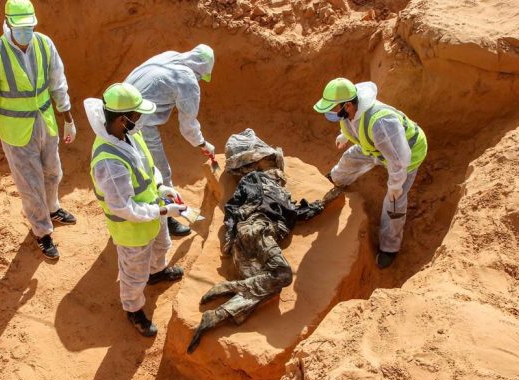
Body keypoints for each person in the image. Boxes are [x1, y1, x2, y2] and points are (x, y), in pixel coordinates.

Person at [187, 130, 341, 353]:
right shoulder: (261, 181)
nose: (276, 169)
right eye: (269, 162)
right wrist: (319, 205)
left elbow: (235, 210)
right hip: (258, 231)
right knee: (282, 275)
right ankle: (228, 287)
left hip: (247, 238)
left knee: (266, 287)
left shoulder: (254, 184)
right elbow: (289, 212)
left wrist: (231, 238)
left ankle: (217, 315)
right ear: (255, 164)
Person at [0, 0, 77, 260]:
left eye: (29, 27)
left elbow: (58, 82)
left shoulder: (44, 44)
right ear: (7, 23)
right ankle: (42, 231)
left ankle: (52, 208)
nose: (26, 32)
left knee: (52, 172)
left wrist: (67, 117)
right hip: (16, 130)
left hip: (46, 122)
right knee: (30, 183)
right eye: (20, 28)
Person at [84, 83, 186, 337]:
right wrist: (164, 212)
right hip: (132, 229)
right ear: (122, 119)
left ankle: (157, 272)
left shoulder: (129, 134)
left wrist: (162, 188)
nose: (139, 119)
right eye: (137, 115)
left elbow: (148, 168)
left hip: (152, 211)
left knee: (161, 246)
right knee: (134, 273)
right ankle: (133, 309)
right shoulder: (109, 163)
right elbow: (124, 208)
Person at [314, 78, 428, 269]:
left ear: (347, 105)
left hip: (406, 154)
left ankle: (390, 247)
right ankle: (336, 180)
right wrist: (345, 136)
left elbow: (399, 161)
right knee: (350, 159)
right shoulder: (351, 111)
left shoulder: (381, 124)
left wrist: (395, 187)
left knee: (394, 202)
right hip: (374, 147)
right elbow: (355, 126)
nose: (330, 112)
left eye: (333, 108)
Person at [124, 44, 216, 237]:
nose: (200, 79)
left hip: (119, 114)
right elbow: (188, 126)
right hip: (140, 123)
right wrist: (203, 144)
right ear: (201, 69)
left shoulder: (169, 56)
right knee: (160, 171)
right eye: (202, 76)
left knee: (132, 166)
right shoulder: (188, 81)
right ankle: (166, 219)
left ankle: (133, 209)